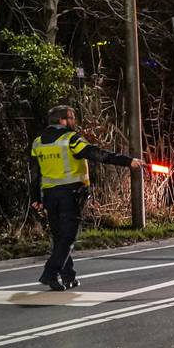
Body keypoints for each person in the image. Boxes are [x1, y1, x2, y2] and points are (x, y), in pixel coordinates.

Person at [29, 105, 143, 291]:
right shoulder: (71, 139)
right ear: (62, 121)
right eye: (72, 118)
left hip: (49, 195)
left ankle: (68, 277)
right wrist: (128, 161)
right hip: (70, 195)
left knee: (59, 238)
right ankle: (50, 273)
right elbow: (97, 154)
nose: (74, 121)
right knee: (68, 237)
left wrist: (35, 197)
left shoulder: (38, 142)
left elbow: (34, 173)